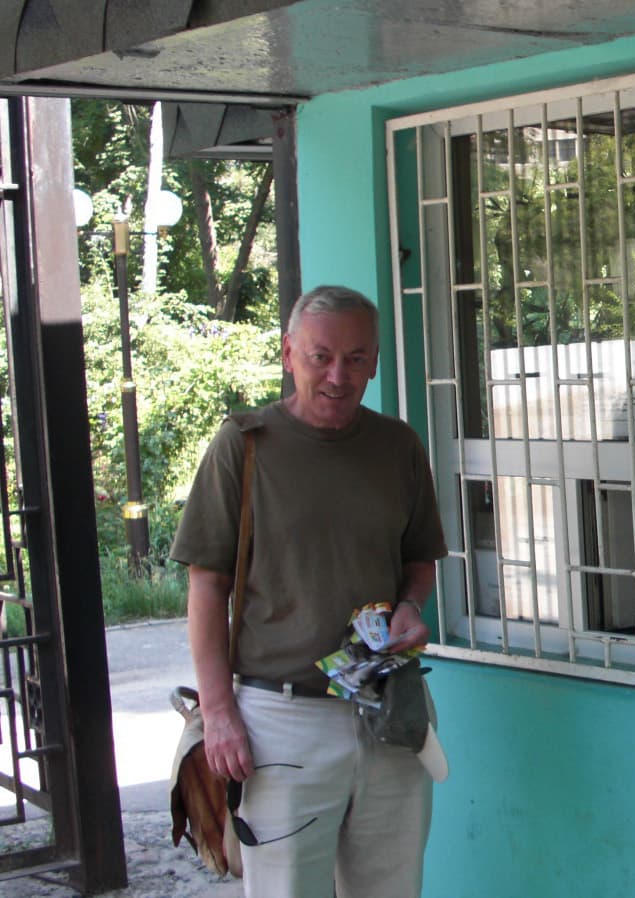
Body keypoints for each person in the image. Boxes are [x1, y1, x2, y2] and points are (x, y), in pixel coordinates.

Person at [170, 285, 448, 898]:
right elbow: (206, 587)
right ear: (288, 351)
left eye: (355, 358)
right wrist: (218, 713)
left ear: (375, 360)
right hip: (279, 718)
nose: (338, 375)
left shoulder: (397, 445)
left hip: (388, 711)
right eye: (321, 356)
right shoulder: (244, 446)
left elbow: (419, 559)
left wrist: (410, 606)